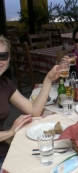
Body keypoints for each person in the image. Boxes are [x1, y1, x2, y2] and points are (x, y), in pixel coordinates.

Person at [0, 36, 61, 167]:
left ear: (9, 57)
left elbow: (34, 111)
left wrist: (48, 79)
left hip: (5, 152)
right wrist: (10, 133)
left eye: (3, 56)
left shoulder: (4, 84)